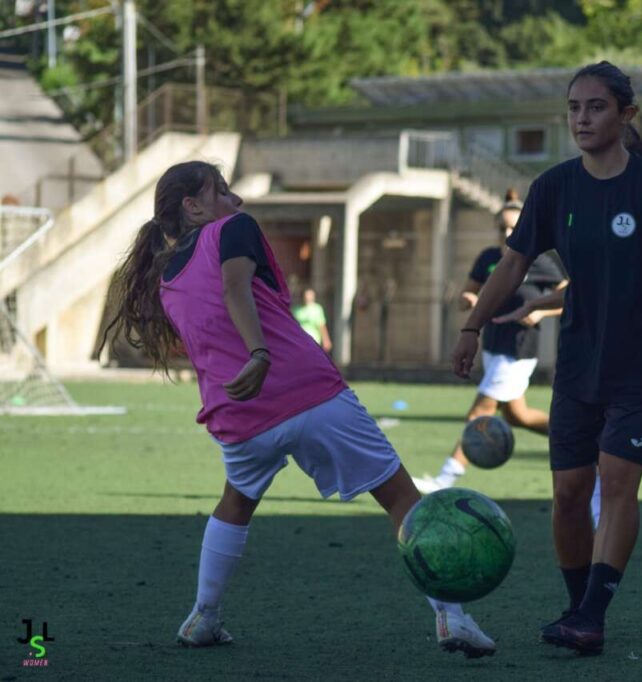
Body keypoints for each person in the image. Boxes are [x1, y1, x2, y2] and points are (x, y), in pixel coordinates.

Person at [100, 161, 496, 658]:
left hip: (237, 416)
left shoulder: (166, 279)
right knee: (400, 498)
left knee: (236, 504)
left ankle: (204, 616)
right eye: (221, 191)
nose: (235, 200)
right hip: (305, 391)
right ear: (193, 207)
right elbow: (234, 287)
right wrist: (260, 353)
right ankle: (452, 616)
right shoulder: (232, 229)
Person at [450, 61, 642, 656]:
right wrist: (472, 325)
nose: (582, 119)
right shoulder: (553, 188)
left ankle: (592, 612)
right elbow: (512, 265)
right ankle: (577, 609)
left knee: (617, 484)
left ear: (626, 116)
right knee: (568, 492)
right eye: (573, 108)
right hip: (579, 366)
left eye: (595, 107)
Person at [495, 286, 642, 537]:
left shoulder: (630, 251)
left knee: (606, 444)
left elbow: (589, 287)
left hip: (615, 352)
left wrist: (537, 305)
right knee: (618, 440)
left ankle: (602, 529)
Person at [414, 190, 567, 493]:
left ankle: (444, 480)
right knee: (517, 415)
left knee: (480, 412)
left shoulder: (538, 261)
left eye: (513, 227)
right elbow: (467, 293)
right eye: (502, 228)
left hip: (519, 348)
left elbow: (570, 292)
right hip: (493, 346)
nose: (507, 233)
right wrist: (468, 299)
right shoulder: (488, 257)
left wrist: (541, 311)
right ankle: (581, 438)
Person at [292, 287, 332, 352]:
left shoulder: (317, 309)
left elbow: (321, 325)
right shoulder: (296, 310)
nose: (308, 298)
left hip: (313, 340)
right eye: (306, 296)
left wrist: (326, 340)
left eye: (310, 296)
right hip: (299, 340)